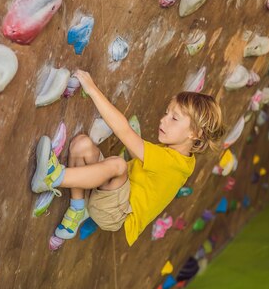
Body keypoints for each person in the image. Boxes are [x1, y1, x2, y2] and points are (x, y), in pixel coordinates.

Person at [31, 70, 225, 246]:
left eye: (174, 118)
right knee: (81, 144)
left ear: (195, 133)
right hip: (112, 195)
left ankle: (52, 178)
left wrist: (91, 89)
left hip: (114, 213)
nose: (163, 119)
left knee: (117, 165)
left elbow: (123, 130)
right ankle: (76, 209)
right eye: (166, 113)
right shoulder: (184, 157)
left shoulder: (169, 163)